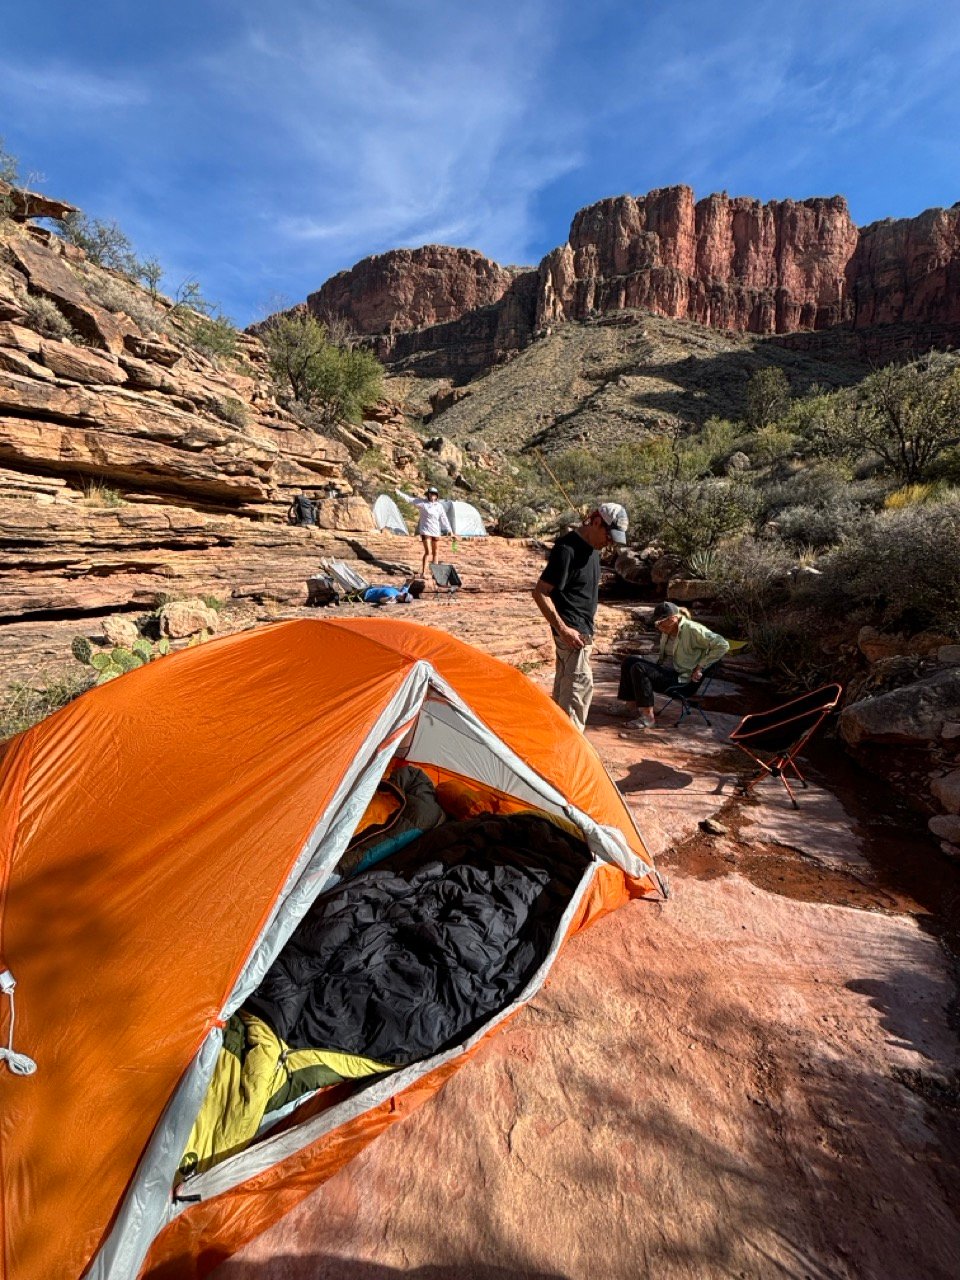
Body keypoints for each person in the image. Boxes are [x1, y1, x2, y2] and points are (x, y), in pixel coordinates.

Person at [532, 502, 629, 732]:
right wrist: (564, 629)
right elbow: (540, 593)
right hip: (572, 638)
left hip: (579, 637)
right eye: (609, 535)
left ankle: (557, 757)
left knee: (564, 702)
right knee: (574, 706)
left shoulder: (593, 549)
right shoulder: (567, 550)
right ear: (596, 522)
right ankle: (569, 762)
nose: (610, 542)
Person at [618, 601, 729, 732]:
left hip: (683, 681)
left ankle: (648, 719)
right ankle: (630, 706)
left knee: (639, 668)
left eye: (661, 622)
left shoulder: (693, 630)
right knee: (629, 661)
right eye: (657, 623)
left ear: (673, 619)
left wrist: (700, 667)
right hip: (669, 672)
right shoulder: (668, 631)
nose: (658, 626)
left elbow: (723, 645)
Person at [396, 486, 452, 577]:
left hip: (436, 531)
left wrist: (450, 530)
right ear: (428, 495)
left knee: (436, 552)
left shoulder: (439, 506)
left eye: (434, 494)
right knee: (428, 552)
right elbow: (410, 499)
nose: (432, 495)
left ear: (436, 495)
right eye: (431, 494)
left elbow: (444, 518)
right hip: (426, 531)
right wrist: (398, 493)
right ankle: (423, 572)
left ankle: (435, 574)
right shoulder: (422, 503)